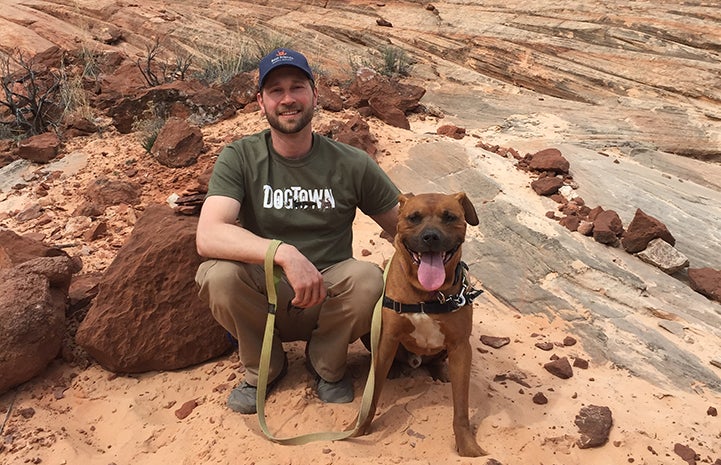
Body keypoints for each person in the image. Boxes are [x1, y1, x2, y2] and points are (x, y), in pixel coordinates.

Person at [194, 47, 400, 414]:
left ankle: (326, 366)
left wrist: (443, 258)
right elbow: (208, 234)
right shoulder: (239, 156)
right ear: (261, 102)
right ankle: (265, 370)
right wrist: (284, 254)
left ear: (314, 95)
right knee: (218, 276)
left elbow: (403, 225)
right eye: (275, 91)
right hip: (266, 297)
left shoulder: (352, 162)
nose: (287, 99)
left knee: (369, 278)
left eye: (297, 87)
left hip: (330, 295)